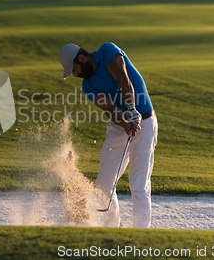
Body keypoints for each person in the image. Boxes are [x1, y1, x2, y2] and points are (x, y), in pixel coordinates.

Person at [59, 42, 158, 228]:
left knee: (138, 184)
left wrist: (131, 109)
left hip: (144, 121)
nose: (75, 74)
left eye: (74, 69)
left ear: (81, 58)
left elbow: (122, 78)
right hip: (118, 127)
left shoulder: (107, 51)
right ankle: (113, 230)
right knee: (104, 185)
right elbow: (110, 108)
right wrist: (126, 123)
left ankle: (141, 235)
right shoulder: (87, 86)